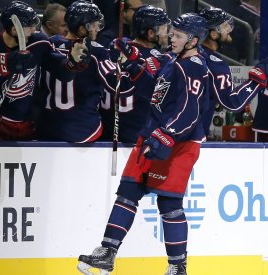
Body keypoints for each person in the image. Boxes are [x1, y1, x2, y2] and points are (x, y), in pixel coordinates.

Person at [78, 13, 210, 275]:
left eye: (180, 35)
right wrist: (135, 64)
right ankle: (107, 252)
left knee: (169, 204)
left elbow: (189, 112)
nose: (172, 37)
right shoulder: (174, 60)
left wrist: (167, 135)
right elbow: (155, 90)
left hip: (178, 144)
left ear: (193, 40)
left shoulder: (194, 66)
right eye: (173, 32)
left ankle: (177, 267)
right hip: (151, 135)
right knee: (127, 192)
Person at [0, 0, 87, 141]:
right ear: (15, 29)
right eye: (30, 26)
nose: (34, 30)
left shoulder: (39, 42)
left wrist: (73, 62)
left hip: (26, 125)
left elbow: (61, 71)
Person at [36, 1, 133, 142]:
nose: (97, 29)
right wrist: (126, 64)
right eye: (93, 25)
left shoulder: (50, 44)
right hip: (83, 130)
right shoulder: (97, 51)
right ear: (82, 29)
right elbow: (120, 88)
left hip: (47, 128)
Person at [100, 5, 170, 143]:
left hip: (108, 130)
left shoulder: (117, 47)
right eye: (163, 28)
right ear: (151, 33)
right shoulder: (160, 60)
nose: (167, 33)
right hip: (138, 134)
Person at [198, 7, 268, 138]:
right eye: (225, 26)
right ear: (213, 34)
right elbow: (233, 103)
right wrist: (258, 78)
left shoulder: (184, 54)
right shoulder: (214, 63)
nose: (229, 29)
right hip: (191, 138)